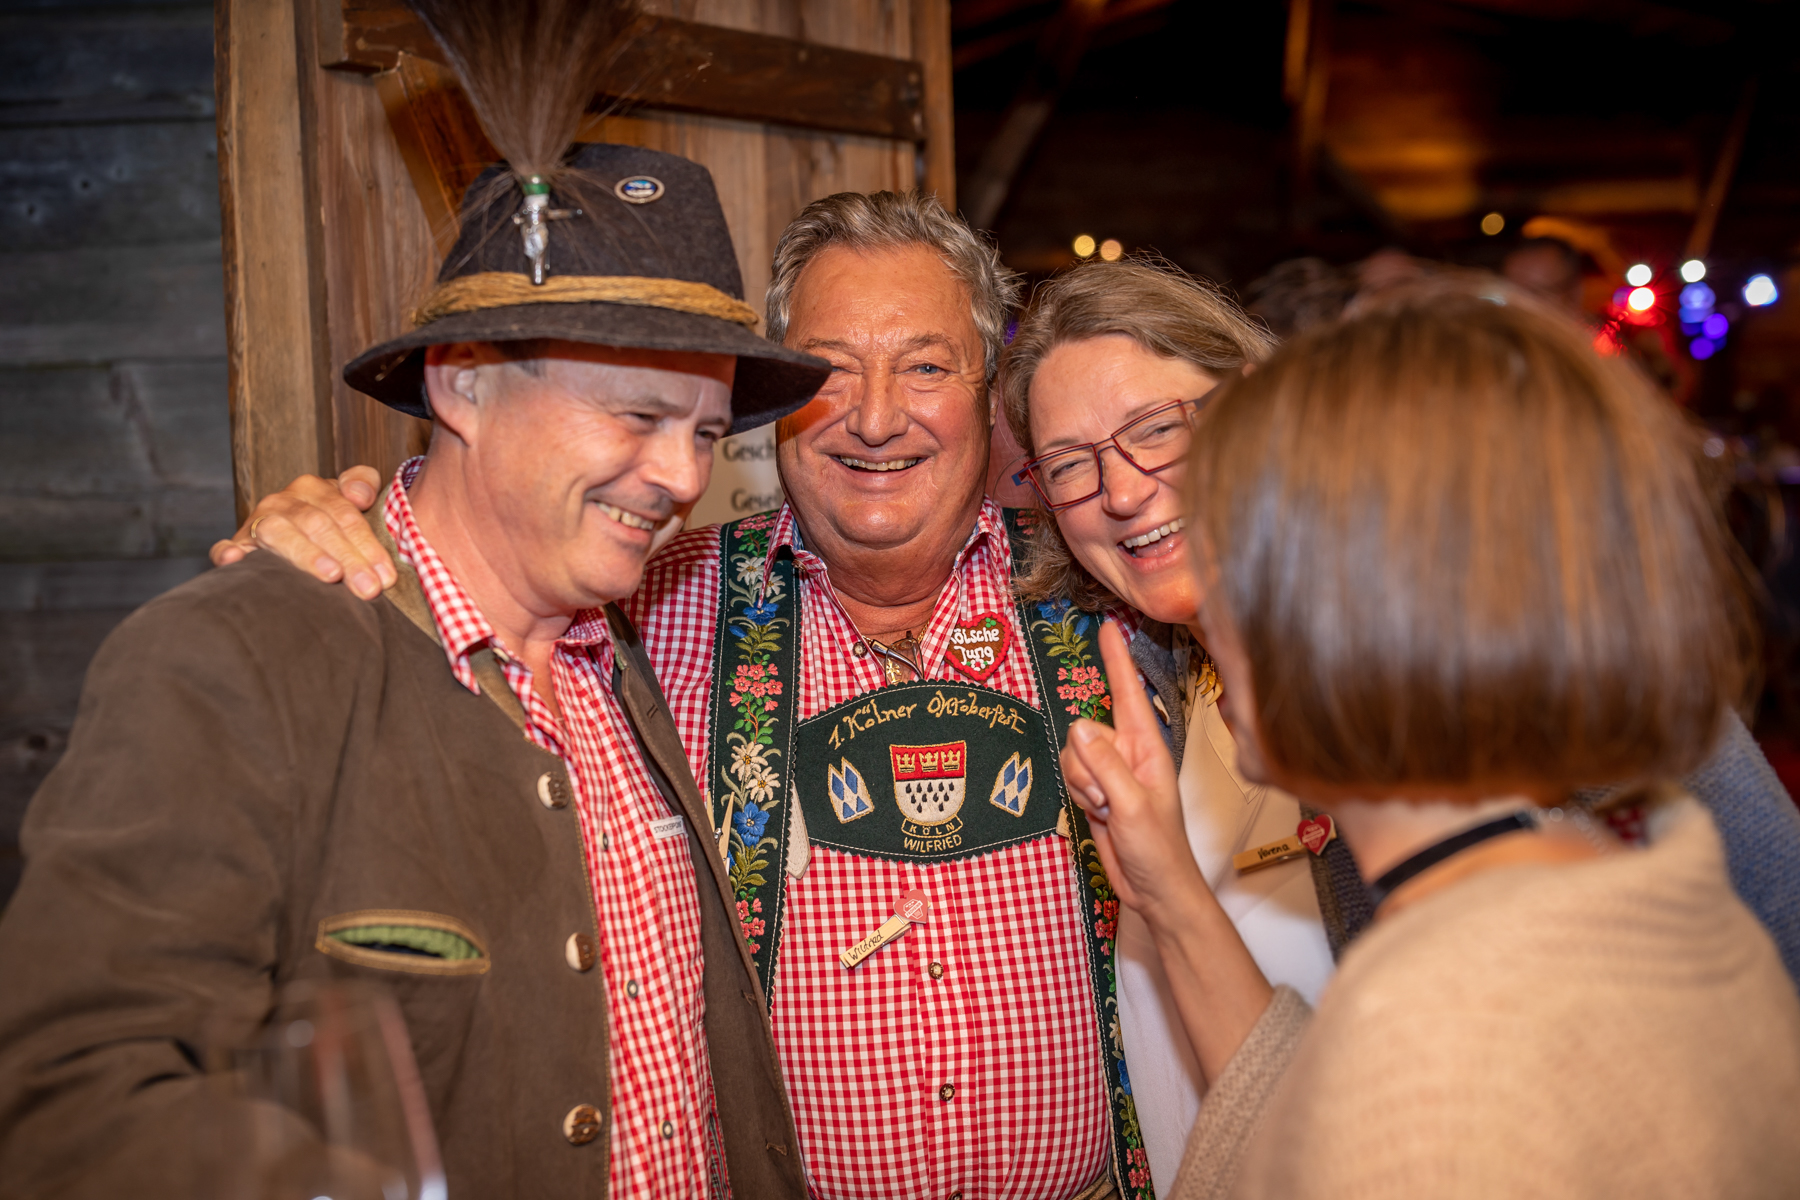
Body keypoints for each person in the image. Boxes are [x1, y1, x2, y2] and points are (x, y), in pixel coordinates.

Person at [0, 1, 828, 1193]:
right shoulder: (232, 661)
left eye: (705, 433)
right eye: (640, 416)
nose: (683, 478)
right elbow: (66, 1096)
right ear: (464, 383)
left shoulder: (631, 647)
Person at [214, 192, 1155, 1199]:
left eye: (926, 367)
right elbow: (488, 550)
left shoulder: (1106, 593)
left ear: (991, 392)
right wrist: (342, 535)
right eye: (832, 369)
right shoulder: (646, 603)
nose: (878, 418)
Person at [1061, 284, 1800, 1197]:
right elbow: (1324, 1126)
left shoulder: (1431, 1037)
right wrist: (1169, 890)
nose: (1210, 614)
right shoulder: (1642, 899)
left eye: (1243, 558)